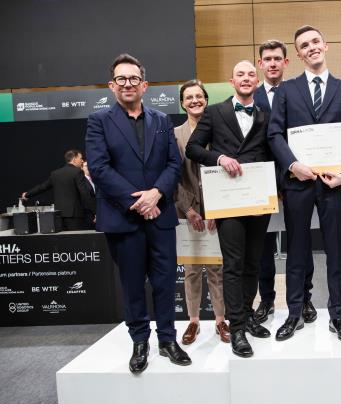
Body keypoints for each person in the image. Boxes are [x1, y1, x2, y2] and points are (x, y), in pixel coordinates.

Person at [85, 53, 191, 374]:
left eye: (133, 79)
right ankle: (140, 341)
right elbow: (100, 169)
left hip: (161, 216)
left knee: (164, 281)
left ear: (144, 85)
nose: (127, 84)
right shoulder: (98, 121)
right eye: (121, 79)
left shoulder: (161, 121)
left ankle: (168, 339)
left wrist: (156, 193)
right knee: (132, 284)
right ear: (112, 85)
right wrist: (139, 201)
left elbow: (175, 164)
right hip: (124, 218)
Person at [268, 25, 341, 344]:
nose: (311, 47)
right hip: (298, 182)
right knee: (297, 252)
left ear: (326, 45)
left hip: (334, 184)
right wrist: (293, 164)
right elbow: (274, 134)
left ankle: (338, 316)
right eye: (304, 45)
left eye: (316, 41)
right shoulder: (285, 91)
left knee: (336, 251)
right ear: (299, 54)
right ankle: (293, 314)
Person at [186, 60, 272, 358]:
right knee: (233, 265)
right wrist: (220, 158)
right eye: (240, 74)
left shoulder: (265, 114)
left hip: (258, 199)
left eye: (251, 74)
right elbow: (193, 149)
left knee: (253, 263)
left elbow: (272, 152)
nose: (246, 78)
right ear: (231, 80)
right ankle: (236, 329)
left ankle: (246, 316)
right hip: (227, 200)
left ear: (257, 82)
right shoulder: (214, 112)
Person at [253, 39, 317, 325]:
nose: (273, 63)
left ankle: (305, 298)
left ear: (286, 62)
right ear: (260, 63)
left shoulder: (297, 92)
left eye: (278, 58)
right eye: (267, 59)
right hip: (262, 185)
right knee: (264, 246)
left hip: (296, 179)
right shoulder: (250, 97)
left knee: (300, 241)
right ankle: (267, 299)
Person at [174, 80, 229, 345]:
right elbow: (174, 177)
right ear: (183, 103)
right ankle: (193, 321)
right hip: (187, 213)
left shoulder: (219, 131)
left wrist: (217, 208)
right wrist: (189, 209)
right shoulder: (174, 135)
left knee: (217, 269)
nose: (195, 100)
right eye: (189, 97)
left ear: (206, 100)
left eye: (199, 96)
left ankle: (221, 321)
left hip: (217, 211)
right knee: (192, 269)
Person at [22, 149, 95, 231]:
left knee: (63, 241)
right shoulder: (78, 172)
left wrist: (27, 194)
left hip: (59, 215)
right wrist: (94, 212)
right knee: (76, 241)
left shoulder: (55, 173)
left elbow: (42, 187)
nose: (82, 161)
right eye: (80, 158)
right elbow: (84, 194)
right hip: (75, 215)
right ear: (74, 159)